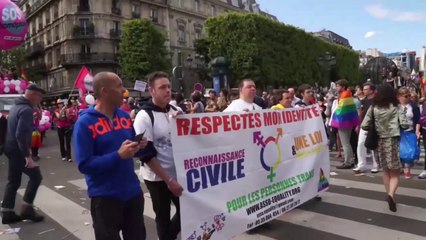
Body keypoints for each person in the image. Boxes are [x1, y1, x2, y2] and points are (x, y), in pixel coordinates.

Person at [73, 72, 148, 240]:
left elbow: (130, 149)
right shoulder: (84, 123)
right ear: (105, 92)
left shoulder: (123, 116)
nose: (124, 91)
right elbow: (84, 165)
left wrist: (139, 146)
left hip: (132, 193)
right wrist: (118, 156)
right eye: (119, 86)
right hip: (105, 198)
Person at [134, 71, 184, 240]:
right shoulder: (144, 116)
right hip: (157, 178)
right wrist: (169, 181)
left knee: (187, 210)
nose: (167, 90)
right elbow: (146, 155)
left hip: (179, 173)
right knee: (163, 216)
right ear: (152, 91)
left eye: (169, 87)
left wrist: (185, 121)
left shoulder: (177, 110)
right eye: (162, 87)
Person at [1, 84, 45, 224]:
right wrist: (28, 156)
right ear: (32, 95)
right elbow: (20, 134)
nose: (40, 100)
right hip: (18, 150)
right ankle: (27, 209)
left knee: (13, 180)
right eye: (39, 97)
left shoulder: (15, 107)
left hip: (10, 148)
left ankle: (7, 212)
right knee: (36, 177)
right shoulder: (26, 110)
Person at [361, 84, 408, 212]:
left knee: (385, 170)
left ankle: (389, 195)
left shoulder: (373, 107)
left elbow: (364, 125)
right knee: (395, 171)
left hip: (379, 141)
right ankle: (391, 195)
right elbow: (404, 123)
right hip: (392, 140)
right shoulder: (396, 107)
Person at [330, 79, 360, 169]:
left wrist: (333, 118)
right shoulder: (347, 94)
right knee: (347, 142)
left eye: (338, 86)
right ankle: (350, 160)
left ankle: (348, 162)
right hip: (348, 121)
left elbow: (340, 110)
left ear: (343, 87)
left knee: (345, 143)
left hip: (343, 122)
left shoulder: (345, 95)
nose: (337, 87)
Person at [353, 83, 379, 174]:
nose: (364, 91)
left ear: (371, 90)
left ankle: (376, 165)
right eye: (363, 89)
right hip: (364, 125)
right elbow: (361, 114)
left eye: (366, 89)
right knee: (360, 144)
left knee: (372, 146)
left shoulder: (376, 101)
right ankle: (361, 165)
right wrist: (358, 124)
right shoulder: (362, 101)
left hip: (373, 126)